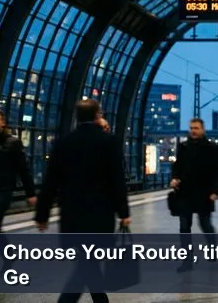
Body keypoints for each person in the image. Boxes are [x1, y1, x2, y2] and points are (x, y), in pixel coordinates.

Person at [35, 100, 130, 303]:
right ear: (98, 114)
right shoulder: (109, 142)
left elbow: (50, 181)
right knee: (87, 265)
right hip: (100, 215)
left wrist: (42, 214)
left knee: (87, 262)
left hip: (71, 216)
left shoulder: (63, 143)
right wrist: (123, 212)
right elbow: (117, 180)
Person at [171, 118, 218, 272]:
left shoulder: (211, 148)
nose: (193, 130)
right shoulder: (183, 146)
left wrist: (215, 191)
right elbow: (177, 166)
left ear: (203, 130)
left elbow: (217, 171)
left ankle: (213, 248)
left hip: (204, 192)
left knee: (205, 224)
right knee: (184, 227)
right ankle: (187, 261)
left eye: (196, 128)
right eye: (191, 127)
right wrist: (174, 178)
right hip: (185, 192)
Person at [0, 109, 36, 232]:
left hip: (2, 191)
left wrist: (30, 193)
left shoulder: (12, 143)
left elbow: (23, 169)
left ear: (3, 123)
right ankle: (8, 251)